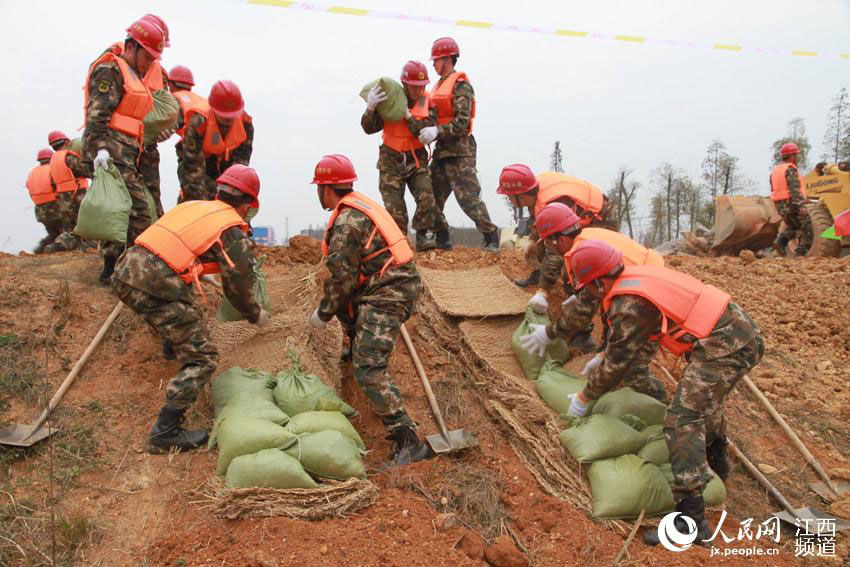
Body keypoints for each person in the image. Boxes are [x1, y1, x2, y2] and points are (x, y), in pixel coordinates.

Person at [550, 240, 762, 545]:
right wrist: (608, 353)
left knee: (682, 418)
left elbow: (619, 364)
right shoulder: (635, 277)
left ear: (598, 281)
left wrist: (584, 397)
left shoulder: (628, 301)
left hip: (725, 345)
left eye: (589, 289)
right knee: (705, 404)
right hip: (736, 334)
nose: (590, 295)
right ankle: (717, 466)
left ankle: (691, 521)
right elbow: (639, 338)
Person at [112, 164, 269, 453]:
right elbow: (238, 284)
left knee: (185, 312)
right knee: (204, 358)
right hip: (154, 283)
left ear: (219, 192)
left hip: (125, 269)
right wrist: (254, 313)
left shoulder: (193, 207)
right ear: (249, 204)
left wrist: (202, 273)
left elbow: (175, 246)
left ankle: (172, 347)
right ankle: (165, 432)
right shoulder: (230, 229)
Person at [309, 154, 432, 464]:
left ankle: (407, 439)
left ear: (326, 188)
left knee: (368, 367)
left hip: (389, 293)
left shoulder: (346, 223)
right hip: (389, 286)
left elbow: (343, 281)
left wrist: (323, 313)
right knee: (353, 319)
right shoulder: (360, 206)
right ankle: (355, 345)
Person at [520, 202, 664, 359]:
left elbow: (585, 310)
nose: (549, 248)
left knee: (623, 353)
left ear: (560, 240)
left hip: (649, 288)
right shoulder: (587, 237)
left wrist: (548, 333)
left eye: (548, 242)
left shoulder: (583, 254)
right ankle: (606, 349)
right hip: (651, 275)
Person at [82, 17, 165, 283]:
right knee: (138, 211)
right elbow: (97, 114)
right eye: (147, 57)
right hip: (111, 152)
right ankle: (133, 273)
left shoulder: (134, 75)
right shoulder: (110, 70)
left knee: (118, 209)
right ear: (132, 47)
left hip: (127, 153)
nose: (150, 63)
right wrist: (100, 150)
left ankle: (114, 269)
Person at [420, 37, 499, 252]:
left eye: (436, 60)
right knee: (430, 197)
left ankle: (491, 235)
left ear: (447, 59)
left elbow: (462, 123)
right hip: (441, 152)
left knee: (468, 198)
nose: (433, 65)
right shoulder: (437, 87)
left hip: (460, 152)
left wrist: (437, 131)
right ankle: (442, 237)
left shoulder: (461, 85)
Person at [361, 61, 440, 252]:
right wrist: (371, 108)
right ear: (404, 84)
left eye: (421, 86)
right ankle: (399, 243)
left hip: (416, 158)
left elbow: (422, 132)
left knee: (426, 195)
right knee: (395, 207)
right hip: (390, 159)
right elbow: (368, 128)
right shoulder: (389, 100)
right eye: (413, 86)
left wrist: (408, 116)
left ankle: (424, 236)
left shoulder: (428, 103)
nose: (418, 90)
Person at [498, 166, 617, 287]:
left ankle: (579, 291)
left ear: (520, 197)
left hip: (600, 217)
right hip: (583, 212)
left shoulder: (555, 204)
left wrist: (543, 290)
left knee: (581, 259)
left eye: (508, 196)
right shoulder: (534, 190)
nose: (509, 200)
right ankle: (539, 275)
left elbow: (555, 251)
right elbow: (539, 221)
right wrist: (533, 241)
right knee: (541, 242)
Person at [179, 80, 253, 203]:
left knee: (237, 199)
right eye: (224, 115)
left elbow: (240, 166)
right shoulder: (198, 122)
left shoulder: (246, 125)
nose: (229, 119)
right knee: (193, 200)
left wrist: (229, 196)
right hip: (200, 167)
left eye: (232, 115)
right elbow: (192, 169)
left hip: (228, 170)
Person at [43, 131, 92, 252]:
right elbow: (87, 171)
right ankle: (88, 248)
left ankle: (59, 245)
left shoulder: (54, 160)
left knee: (69, 228)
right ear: (66, 141)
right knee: (86, 222)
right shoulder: (68, 158)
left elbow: (52, 182)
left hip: (63, 198)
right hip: (77, 194)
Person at [167, 65, 209, 201]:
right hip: (212, 151)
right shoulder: (201, 100)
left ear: (170, 84)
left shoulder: (175, 99)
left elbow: (165, 126)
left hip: (193, 149)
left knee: (190, 193)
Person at [770, 143, 812, 256]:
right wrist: (800, 205)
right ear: (792, 156)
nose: (797, 157)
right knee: (807, 225)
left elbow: (773, 188)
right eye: (796, 155)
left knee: (794, 226)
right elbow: (794, 189)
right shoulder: (790, 169)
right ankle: (801, 252)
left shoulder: (775, 170)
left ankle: (780, 242)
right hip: (791, 203)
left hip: (780, 204)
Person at [26, 148, 63, 253]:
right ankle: (52, 248)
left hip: (39, 210)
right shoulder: (53, 169)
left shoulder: (33, 172)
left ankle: (40, 249)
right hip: (54, 206)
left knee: (53, 233)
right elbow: (59, 185)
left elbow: (29, 187)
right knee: (65, 232)